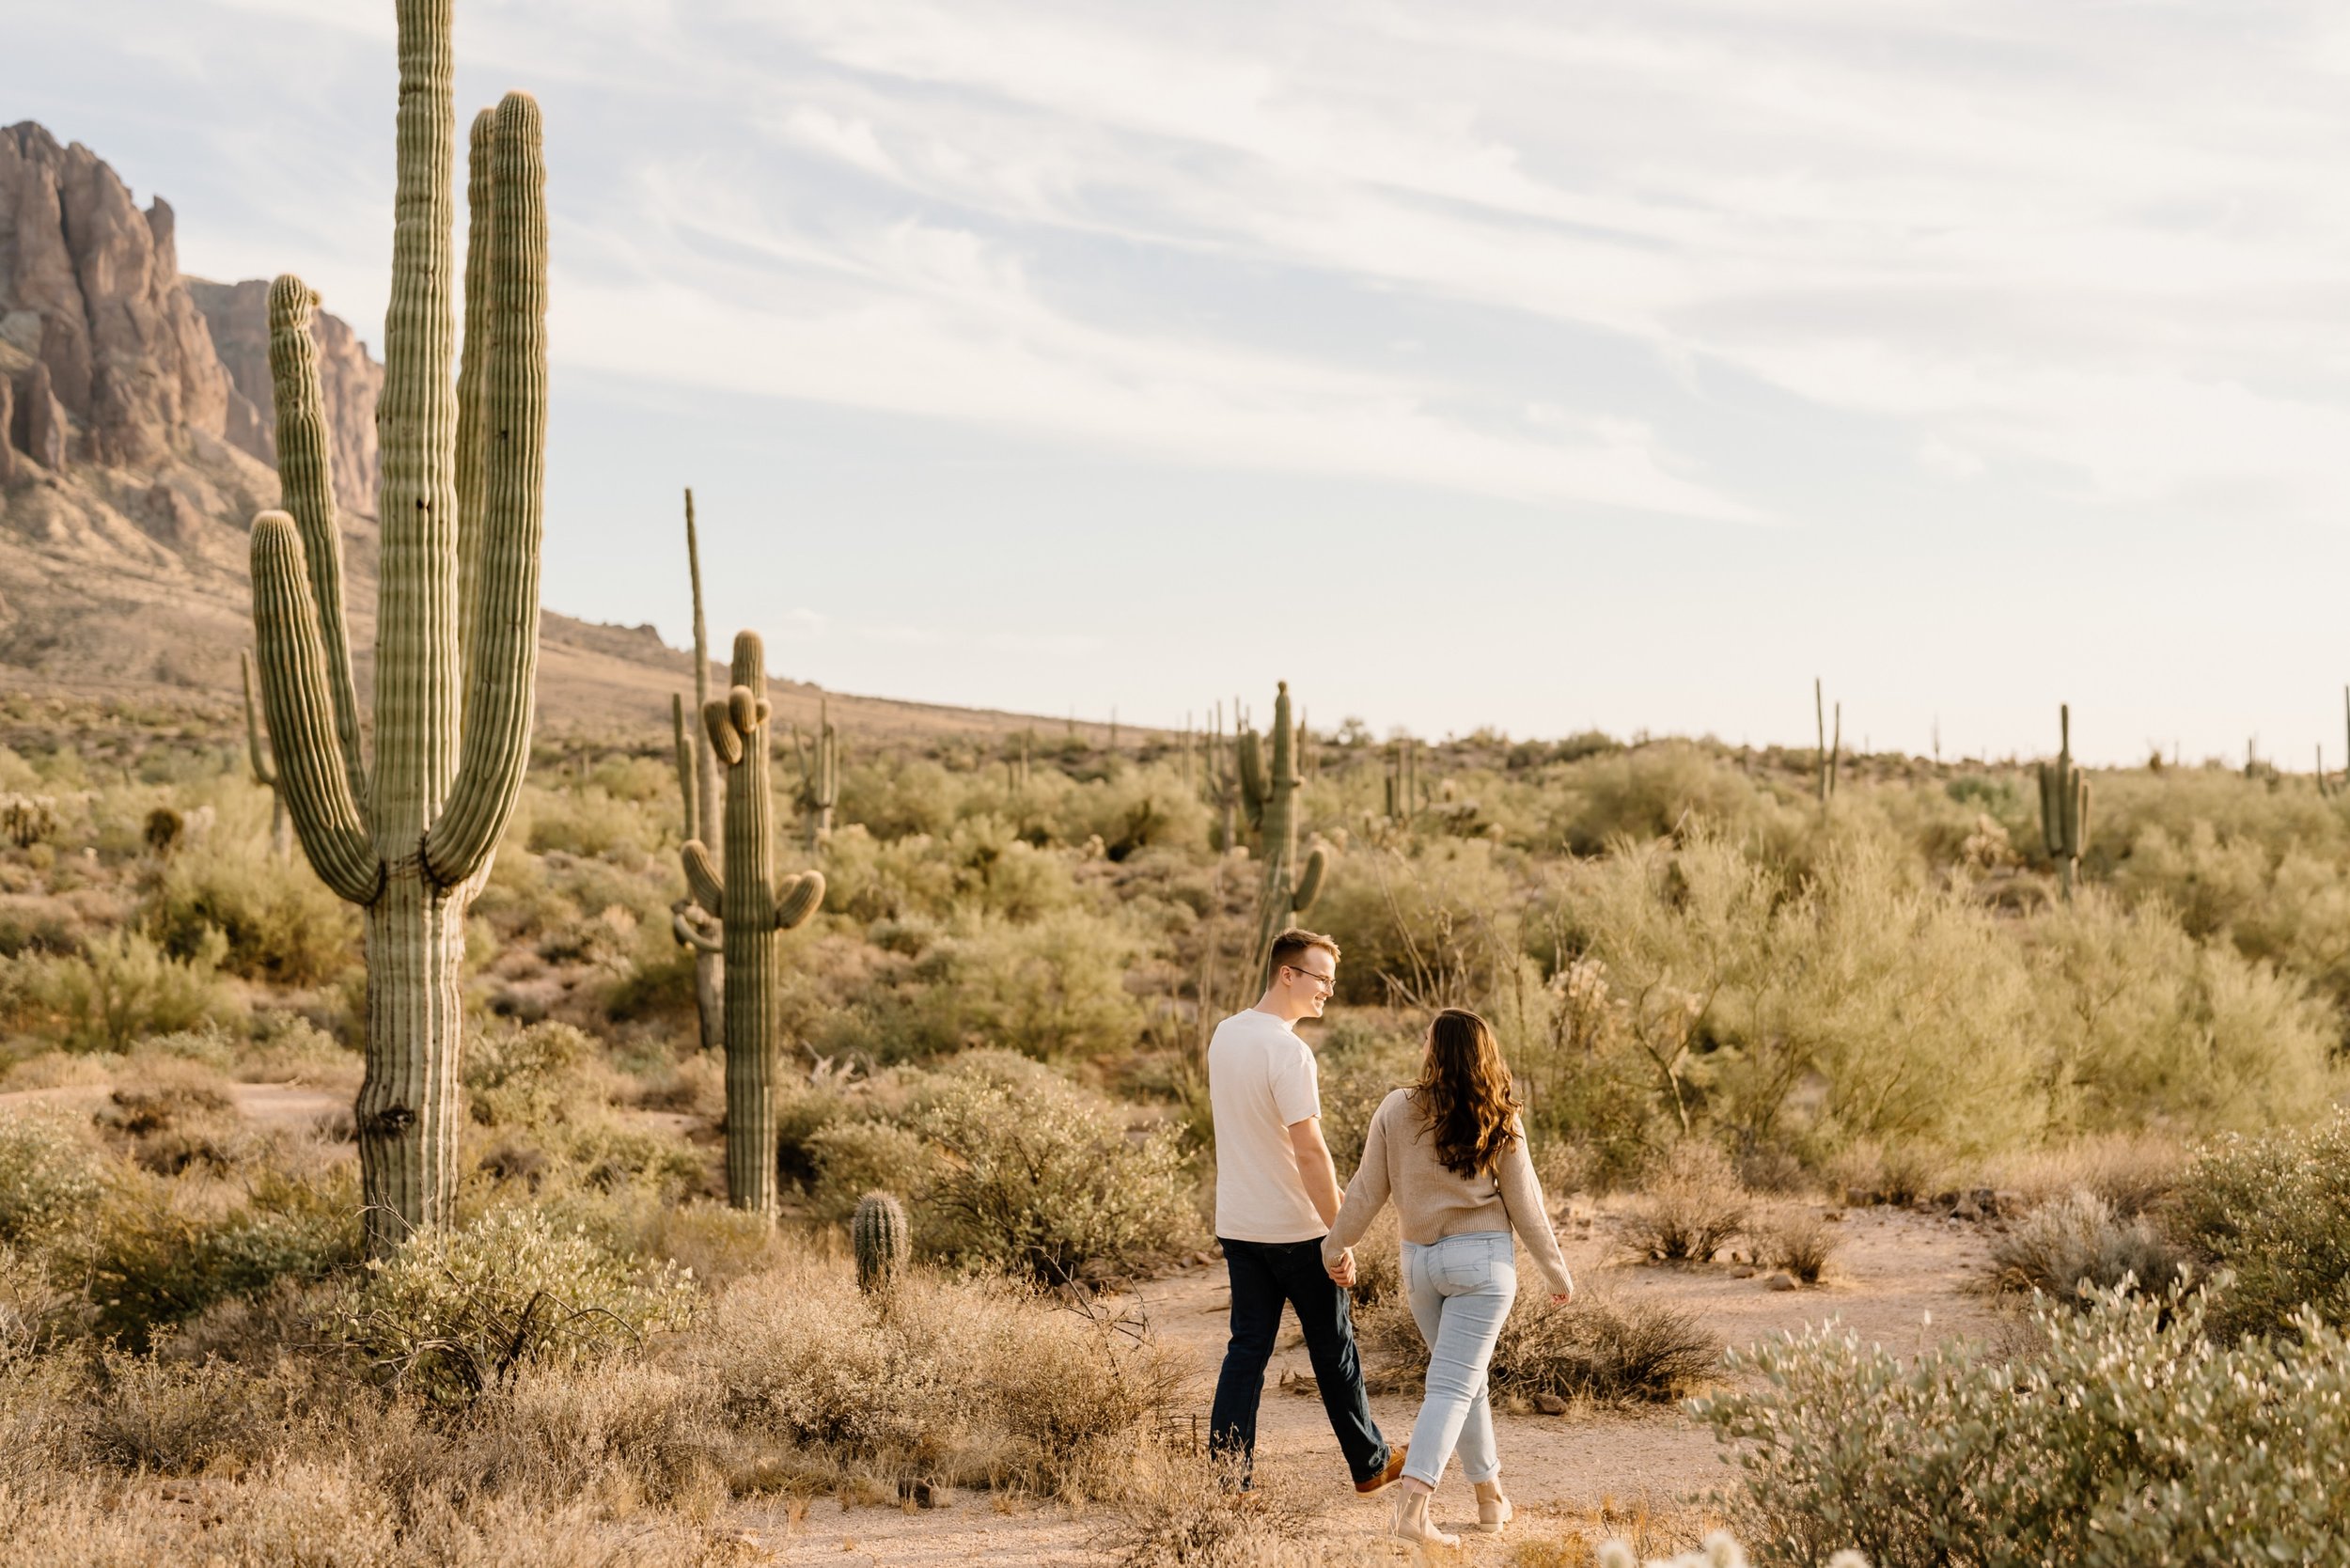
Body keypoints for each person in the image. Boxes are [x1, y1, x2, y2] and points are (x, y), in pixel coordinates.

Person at [1323, 1007, 1574, 1545]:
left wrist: (1336, 1243)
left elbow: (1367, 1187)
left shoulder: (1396, 1107)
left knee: (1465, 1381)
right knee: (1455, 1383)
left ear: (1436, 1049)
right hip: (1481, 1265)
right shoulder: (1498, 1113)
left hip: (1419, 1265)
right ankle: (1413, 1510)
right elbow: (1525, 1204)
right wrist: (1555, 1270)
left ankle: (1490, 1498)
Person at [1205, 928, 1406, 1496]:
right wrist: (1341, 1233)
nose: (1329, 992)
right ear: (1288, 974)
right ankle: (1370, 1466)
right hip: (1297, 1229)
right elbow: (1310, 1151)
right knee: (1333, 1346)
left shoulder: (1225, 1035)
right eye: (1322, 979)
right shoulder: (1288, 1050)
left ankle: (1227, 1483)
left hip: (1240, 1225)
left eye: (1333, 982)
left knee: (1246, 1351)